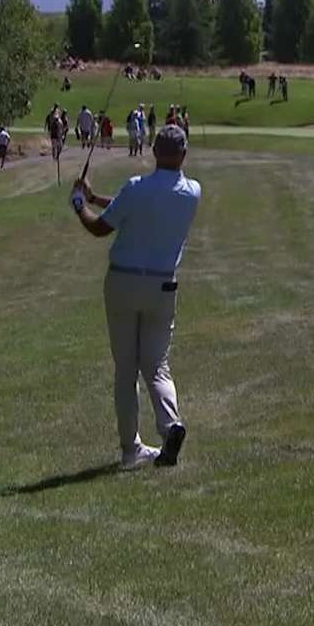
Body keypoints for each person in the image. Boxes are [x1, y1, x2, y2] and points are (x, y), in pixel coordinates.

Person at [70, 124, 200, 470]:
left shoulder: (136, 188)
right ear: (183, 155)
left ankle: (131, 450)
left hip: (123, 283)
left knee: (126, 369)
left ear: (154, 151)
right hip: (163, 287)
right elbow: (136, 208)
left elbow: (101, 227)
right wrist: (97, 198)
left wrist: (80, 204)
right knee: (157, 365)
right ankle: (170, 426)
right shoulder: (192, 192)